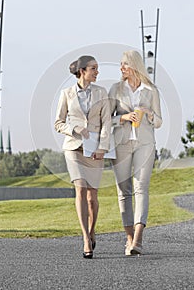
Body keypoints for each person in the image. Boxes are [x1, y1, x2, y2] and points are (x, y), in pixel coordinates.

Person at [55, 55, 111, 259]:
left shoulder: (102, 93)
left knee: (92, 196)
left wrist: (103, 148)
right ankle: (85, 238)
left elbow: (107, 123)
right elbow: (58, 122)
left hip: (95, 150)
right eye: (93, 68)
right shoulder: (66, 94)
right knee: (80, 188)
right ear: (82, 71)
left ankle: (92, 229)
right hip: (73, 148)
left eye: (97, 68)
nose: (97, 72)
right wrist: (74, 129)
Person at [108, 50, 162, 256]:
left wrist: (148, 113)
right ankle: (128, 237)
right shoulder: (115, 89)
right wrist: (123, 118)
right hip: (121, 143)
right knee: (124, 191)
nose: (121, 68)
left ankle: (138, 238)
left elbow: (159, 122)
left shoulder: (151, 90)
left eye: (125, 64)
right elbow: (107, 119)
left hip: (145, 143)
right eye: (121, 64)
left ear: (134, 66)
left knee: (141, 188)